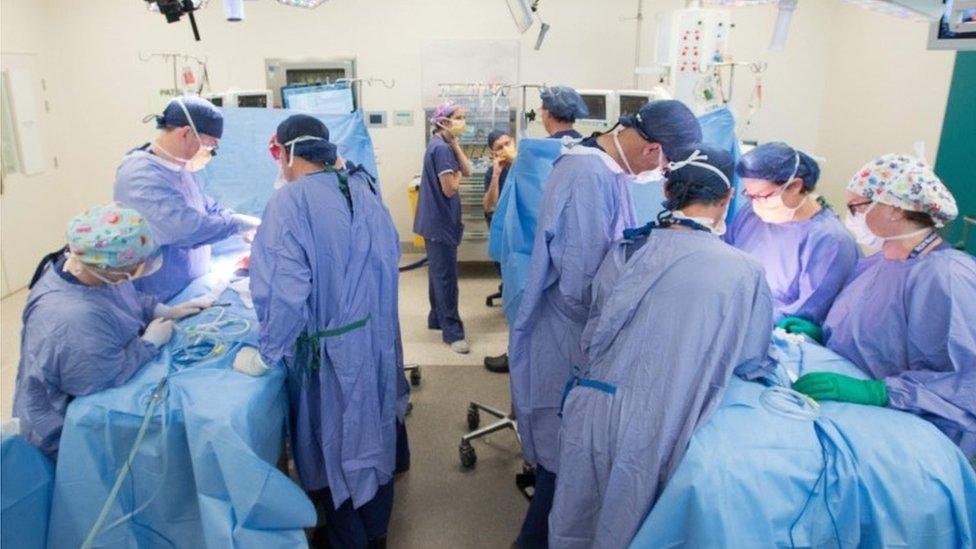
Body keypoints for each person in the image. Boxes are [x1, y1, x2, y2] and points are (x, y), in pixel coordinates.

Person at [548, 145, 774, 548]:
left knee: (577, 520)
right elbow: (750, 360)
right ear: (726, 200)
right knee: (636, 526)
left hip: (593, 407)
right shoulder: (744, 270)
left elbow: (596, 327)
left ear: (666, 189)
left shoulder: (624, 251)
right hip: (663, 421)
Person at [508, 99, 702, 549]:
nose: (661, 175)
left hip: (575, 330)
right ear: (654, 151)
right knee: (565, 458)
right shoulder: (588, 175)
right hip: (569, 333)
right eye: (666, 164)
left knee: (568, 462)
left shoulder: (602, 168)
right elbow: (581, 285)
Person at [248, 115, 400, 549]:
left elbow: (285, 292)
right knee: (372, 440)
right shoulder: (364, 188)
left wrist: (266, 353)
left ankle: (346, 538)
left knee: (334, 448)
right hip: (371, 341)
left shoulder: (290, 203)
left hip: (329, 354)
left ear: (288, 152)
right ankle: (376, 533)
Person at [794, 153, 975, 461]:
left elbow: (964, 380)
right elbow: (872, 337)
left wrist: (879, 392)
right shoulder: (878, 262)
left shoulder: (947, 277)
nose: (851, 216)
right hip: (860, 411)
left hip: (921, 432)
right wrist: (822, 334)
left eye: (857, 207)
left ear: (893, 208)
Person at [12, 203, 212, 460]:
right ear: (108, 268)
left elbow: (122, 296)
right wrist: (148, 345)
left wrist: (161, 310)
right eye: (134, 267)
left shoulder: (90, 267)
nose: (139, 271)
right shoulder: (70, 317)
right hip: (63, 429)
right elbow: (99, 376)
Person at [114, 96, 260, 301]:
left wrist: (239, 222)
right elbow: (184, 229)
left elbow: (204, 205)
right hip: (161, 294)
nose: (210, 153)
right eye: (210, 146)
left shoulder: (177, 166)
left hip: (188, 285)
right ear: (187, 133)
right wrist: (235, 224)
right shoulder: (140, 176)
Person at [727, 142, 859, 327]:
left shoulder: (830, 241)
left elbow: (806, 313)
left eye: (762, 196)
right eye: (749, 195)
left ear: (795, 185)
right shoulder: (751, 215)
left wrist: (743, 319)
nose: (755, 203)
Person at [413, 101, 474, 354]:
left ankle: (436, 318)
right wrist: (457, 173)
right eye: (458, 117)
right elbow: (450, 188)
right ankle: (453, 333)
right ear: (443, 121)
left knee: (438, 273)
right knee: (446, 278)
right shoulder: (441, 151)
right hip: (440, 223)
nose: (463, 122)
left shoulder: (442, 144)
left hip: (436, 222)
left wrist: (457, 145)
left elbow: (468, 170)